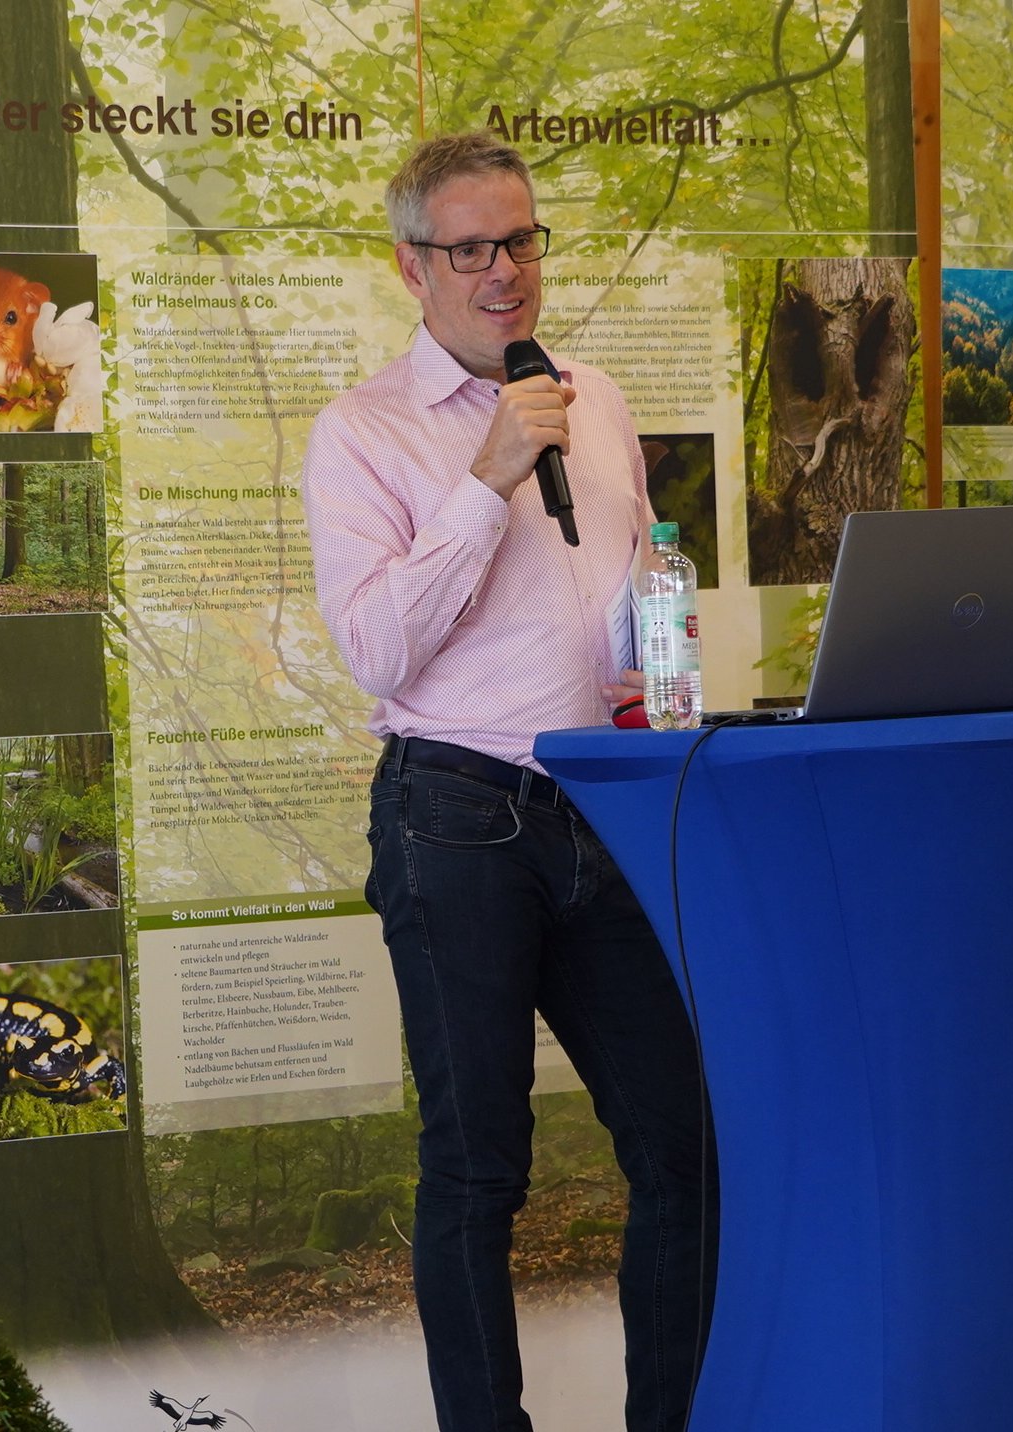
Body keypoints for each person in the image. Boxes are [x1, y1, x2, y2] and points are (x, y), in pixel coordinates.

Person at [300, 131, 718, 1432]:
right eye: (473, 248)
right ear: (412, 267)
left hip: (604, 805)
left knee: (687, 1151)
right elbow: (377, 648)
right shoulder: (363, 431)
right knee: (480, 1174)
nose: (505, 270)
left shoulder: (596, 400)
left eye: (522, 240)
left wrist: (660, 662)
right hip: (455, 815)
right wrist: (487, 477)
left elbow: (625, 594)